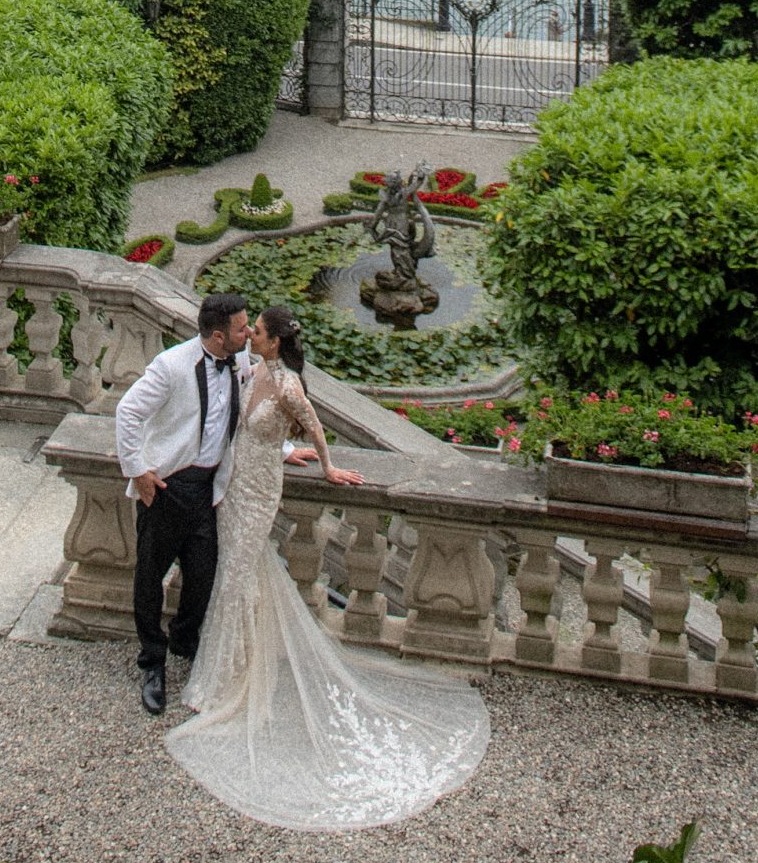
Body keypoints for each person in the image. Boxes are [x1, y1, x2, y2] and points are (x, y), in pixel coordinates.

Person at [164, 305, 491, 831]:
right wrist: (286, 448)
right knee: (235, 574)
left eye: (258, 332)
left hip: (259, 489)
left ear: (273, 342)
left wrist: (328, 464)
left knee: (241, 573)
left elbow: (314, 424)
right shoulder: (256, 369)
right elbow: (249, 422)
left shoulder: (290, 384)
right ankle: (236, 662)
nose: (250, 336)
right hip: (235, 483)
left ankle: (228, 677)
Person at [115, 290, 256, 715]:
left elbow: (250, 416)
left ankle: (185, 640)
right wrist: (138, 470)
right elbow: (127, 412)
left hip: (210, 490)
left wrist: (285, 450)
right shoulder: (171, 366)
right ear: (217, 336)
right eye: (241, 328)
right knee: (149, 578)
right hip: (167, 488)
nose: (248, 332)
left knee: (202, 577)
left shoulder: (241, 360)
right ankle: (151, 662)